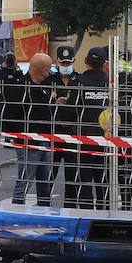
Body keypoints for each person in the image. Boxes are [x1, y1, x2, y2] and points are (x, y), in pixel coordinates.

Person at [0, 53, 56, 205]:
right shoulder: (20, 88)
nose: (51, 72)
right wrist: (21, 137)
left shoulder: (45, 86)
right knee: (25, 181)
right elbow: (10, 115)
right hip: (28, 142)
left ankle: (45, 211)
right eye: (49, 68)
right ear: (44, 70)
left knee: (44, 181)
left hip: (44, 139)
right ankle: (16, 211)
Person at [74, 46, 111, 208]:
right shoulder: (110, 83)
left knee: (85, 181)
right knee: (104, 181)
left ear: (85, 61)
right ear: (104, 63)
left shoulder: (79, 82)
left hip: (84, 138)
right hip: (106, 138)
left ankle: (86, 213)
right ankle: (105, 214)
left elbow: (71, 110)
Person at [48, 45, 81, 204]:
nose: (66, 67)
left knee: (72, 176)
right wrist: (54, 102)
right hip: (54, 133)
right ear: (57, 62)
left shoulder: (79, 81)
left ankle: (70, 208)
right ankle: (45, 207)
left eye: (68, 64)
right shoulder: (50, 80)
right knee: (49, 175)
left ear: (74, 61)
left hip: (73, 133)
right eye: (63, 63)